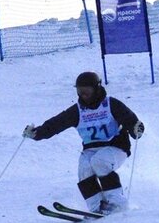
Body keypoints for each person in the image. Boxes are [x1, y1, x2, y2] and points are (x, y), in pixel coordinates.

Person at [23, 71, 145, 214]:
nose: (83, 96)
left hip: (116, 147)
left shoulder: (111, 104)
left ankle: (117, 204)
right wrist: (37, 133)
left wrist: (136, 129)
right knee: (85, 168)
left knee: (100, 162)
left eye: (87, 91)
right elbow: (56, 124)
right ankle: (97, 207)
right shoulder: (78, 111)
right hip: (90, 149)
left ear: (97, 88)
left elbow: (131, 120)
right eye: (80, 92)